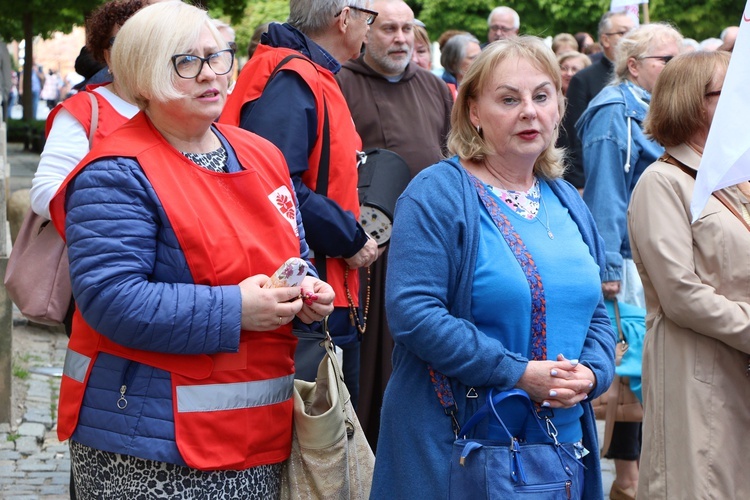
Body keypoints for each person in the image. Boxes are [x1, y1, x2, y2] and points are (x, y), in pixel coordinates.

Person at [49, 2, 334, 497]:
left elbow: (294, 248)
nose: (212, 75)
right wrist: (238, 309)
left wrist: (305, 288)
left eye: (217, 57)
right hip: (149, 440)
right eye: (187, 62)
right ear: (144, 77)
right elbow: (112, 299)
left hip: (257, 430)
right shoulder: (115, 172)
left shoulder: (260, 153)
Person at [370, 36, 615, 499]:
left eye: (542, 96)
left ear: (559, 107)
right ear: (473, 112)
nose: (529, 111)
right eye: (509, 99)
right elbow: (413, 313)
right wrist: (517, 373)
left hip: (557, 452)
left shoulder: (565, 198)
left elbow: (595, 308)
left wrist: (594, 372)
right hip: (457, 450)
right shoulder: (437, 193)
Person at [220, 0, 379, 387]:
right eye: (369, 18)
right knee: (319, 439)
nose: (370, 28)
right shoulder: (294, 75)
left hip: (313, 287)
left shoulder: (300, 70)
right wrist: (350, 237)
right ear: (345, 19)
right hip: (307, 291)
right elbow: (275, 185)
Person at [628, 50, 749, 498]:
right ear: (694, 102)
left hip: (739, 366)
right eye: (731, 93)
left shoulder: (735, 181)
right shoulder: (663, 182)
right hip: (698, 373)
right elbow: (680, 293)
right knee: (700, 484)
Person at [335, 0, 452, 444]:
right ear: (365, 30)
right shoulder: (339, 83)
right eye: (389, 29)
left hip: (433, 245)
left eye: (407, 29)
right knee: (374, 364)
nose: (401, 38)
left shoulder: (435, 88)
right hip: (369, 253)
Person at [576, 22, 682, 500]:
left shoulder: (652, 107)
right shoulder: (613, 111)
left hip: (652, 255)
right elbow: (605, 194)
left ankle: (634, 478)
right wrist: (609, 271)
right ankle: (628, 480)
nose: (678, 68)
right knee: (631, 367)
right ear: (634, 66)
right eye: (667, 60)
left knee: (643, 365)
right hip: (627, 259)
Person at [562, 11, 636, 190]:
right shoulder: (584, 79)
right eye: (623, 33)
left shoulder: (641, 76)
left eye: (634, 33)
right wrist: (580, 184)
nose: (631, 39)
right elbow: (573, 135)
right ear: (605, 40)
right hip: (594, 180)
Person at [440, 32, 480, 97]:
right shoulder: (442, 90)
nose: (480, 61)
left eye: (481, 57)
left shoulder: (484, 85)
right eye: (473, 58)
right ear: (454, 62)